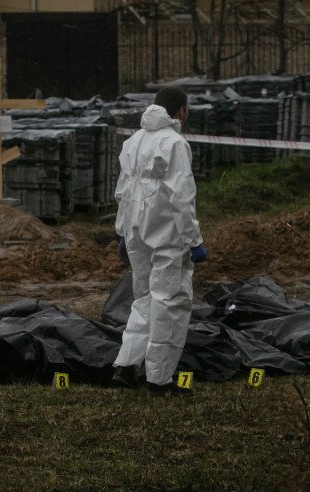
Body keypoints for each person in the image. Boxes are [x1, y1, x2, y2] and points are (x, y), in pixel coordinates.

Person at [111, 86, 208, 395]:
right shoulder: (175, 143)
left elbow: (122, 191)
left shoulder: (133, 141)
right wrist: (194, 239)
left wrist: (122, 233)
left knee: (145, 299)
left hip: (136, 232)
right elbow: (181, 196)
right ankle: (159, 380)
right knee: (171, 302)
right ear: (181, 111)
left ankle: (126, 366)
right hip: (167, 235)